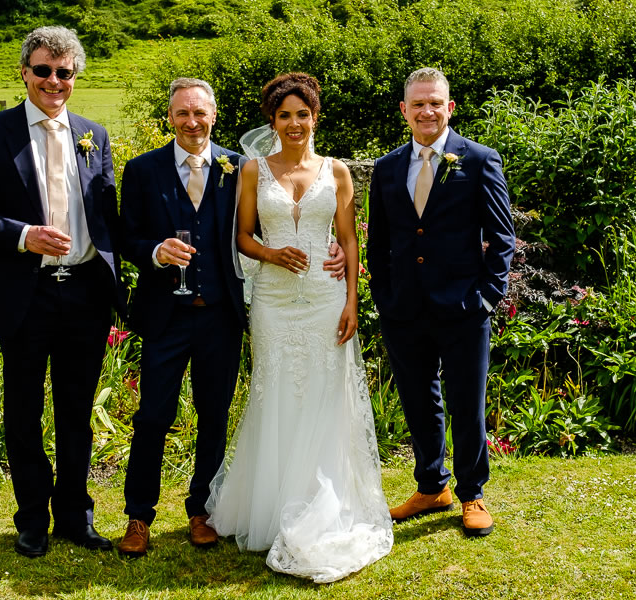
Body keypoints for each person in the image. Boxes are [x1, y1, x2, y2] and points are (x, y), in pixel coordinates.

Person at [117, 78, 346, 557]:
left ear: (214, 115)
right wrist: (156, 251)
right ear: (170, 117)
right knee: (153, 415)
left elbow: (279, 216)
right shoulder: (142, 170)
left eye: (200, 112)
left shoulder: (239, 167)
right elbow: (126, 237)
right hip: (164, 315)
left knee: (214, 415)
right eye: (183, 113)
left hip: (220, 314)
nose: (192, 121)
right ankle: (139, 516)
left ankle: (202, 510)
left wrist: (337, 251)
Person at [206, 73, 394, 584]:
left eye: (302, 114)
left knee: (324, 395)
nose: (294, 124)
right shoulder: (252, 170)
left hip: (326, 300)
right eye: (284, 115)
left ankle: (322, 503)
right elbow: (243, 236)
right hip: (272, 301)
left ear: (315, 117)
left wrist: (352, 301)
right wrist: (271, 254)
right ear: (273, 121)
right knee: (276, 394)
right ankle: (270, 508)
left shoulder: (337, 172)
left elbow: (349, 240)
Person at [0, 26, 123, 558]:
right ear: (24, 72)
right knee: (23, 412)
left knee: (76, 412)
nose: (53, 81)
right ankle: (31, 520)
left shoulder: (94, 135)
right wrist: (23, 236)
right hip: (26, 293)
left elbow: (107, 214)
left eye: (63, 72)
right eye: (43, 70)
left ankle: (75, 516)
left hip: (86, 293)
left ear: (75, 77)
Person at [367, 67, 515, 537]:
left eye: (435, 103)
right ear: (404, 110)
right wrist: (384, 295)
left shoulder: (480, 160)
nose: (426, 111)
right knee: (418, 400)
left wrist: (487, 297)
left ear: (449, 108)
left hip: (464, 308)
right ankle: (432, 486)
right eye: (418, 104)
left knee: (467, 403)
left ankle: (472, 493)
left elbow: (502, 237)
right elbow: (379, 241)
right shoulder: (387, 167)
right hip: (403, 309)